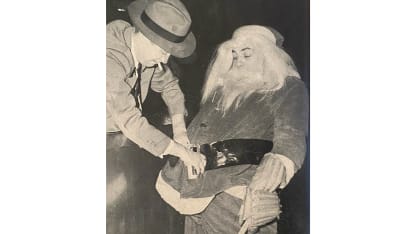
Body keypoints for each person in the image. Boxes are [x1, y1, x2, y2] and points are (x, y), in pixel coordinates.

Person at [156, 25, 309, 233]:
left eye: (247, 54)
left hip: (235, 198)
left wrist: (276, 167)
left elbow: (291, 139)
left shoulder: (288, 87)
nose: (238, 60)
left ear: (268, 57)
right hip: (191, 191)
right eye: (235, 55)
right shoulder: (223, 88)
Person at [106, 0, 206, 233]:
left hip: (118, 137)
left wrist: (180, 131)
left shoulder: (148, 54)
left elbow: (170, 87)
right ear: (143, 34)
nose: (164, 61)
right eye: (162, 51)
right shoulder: (107, 57)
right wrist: (182, 152)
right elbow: (130, 120)